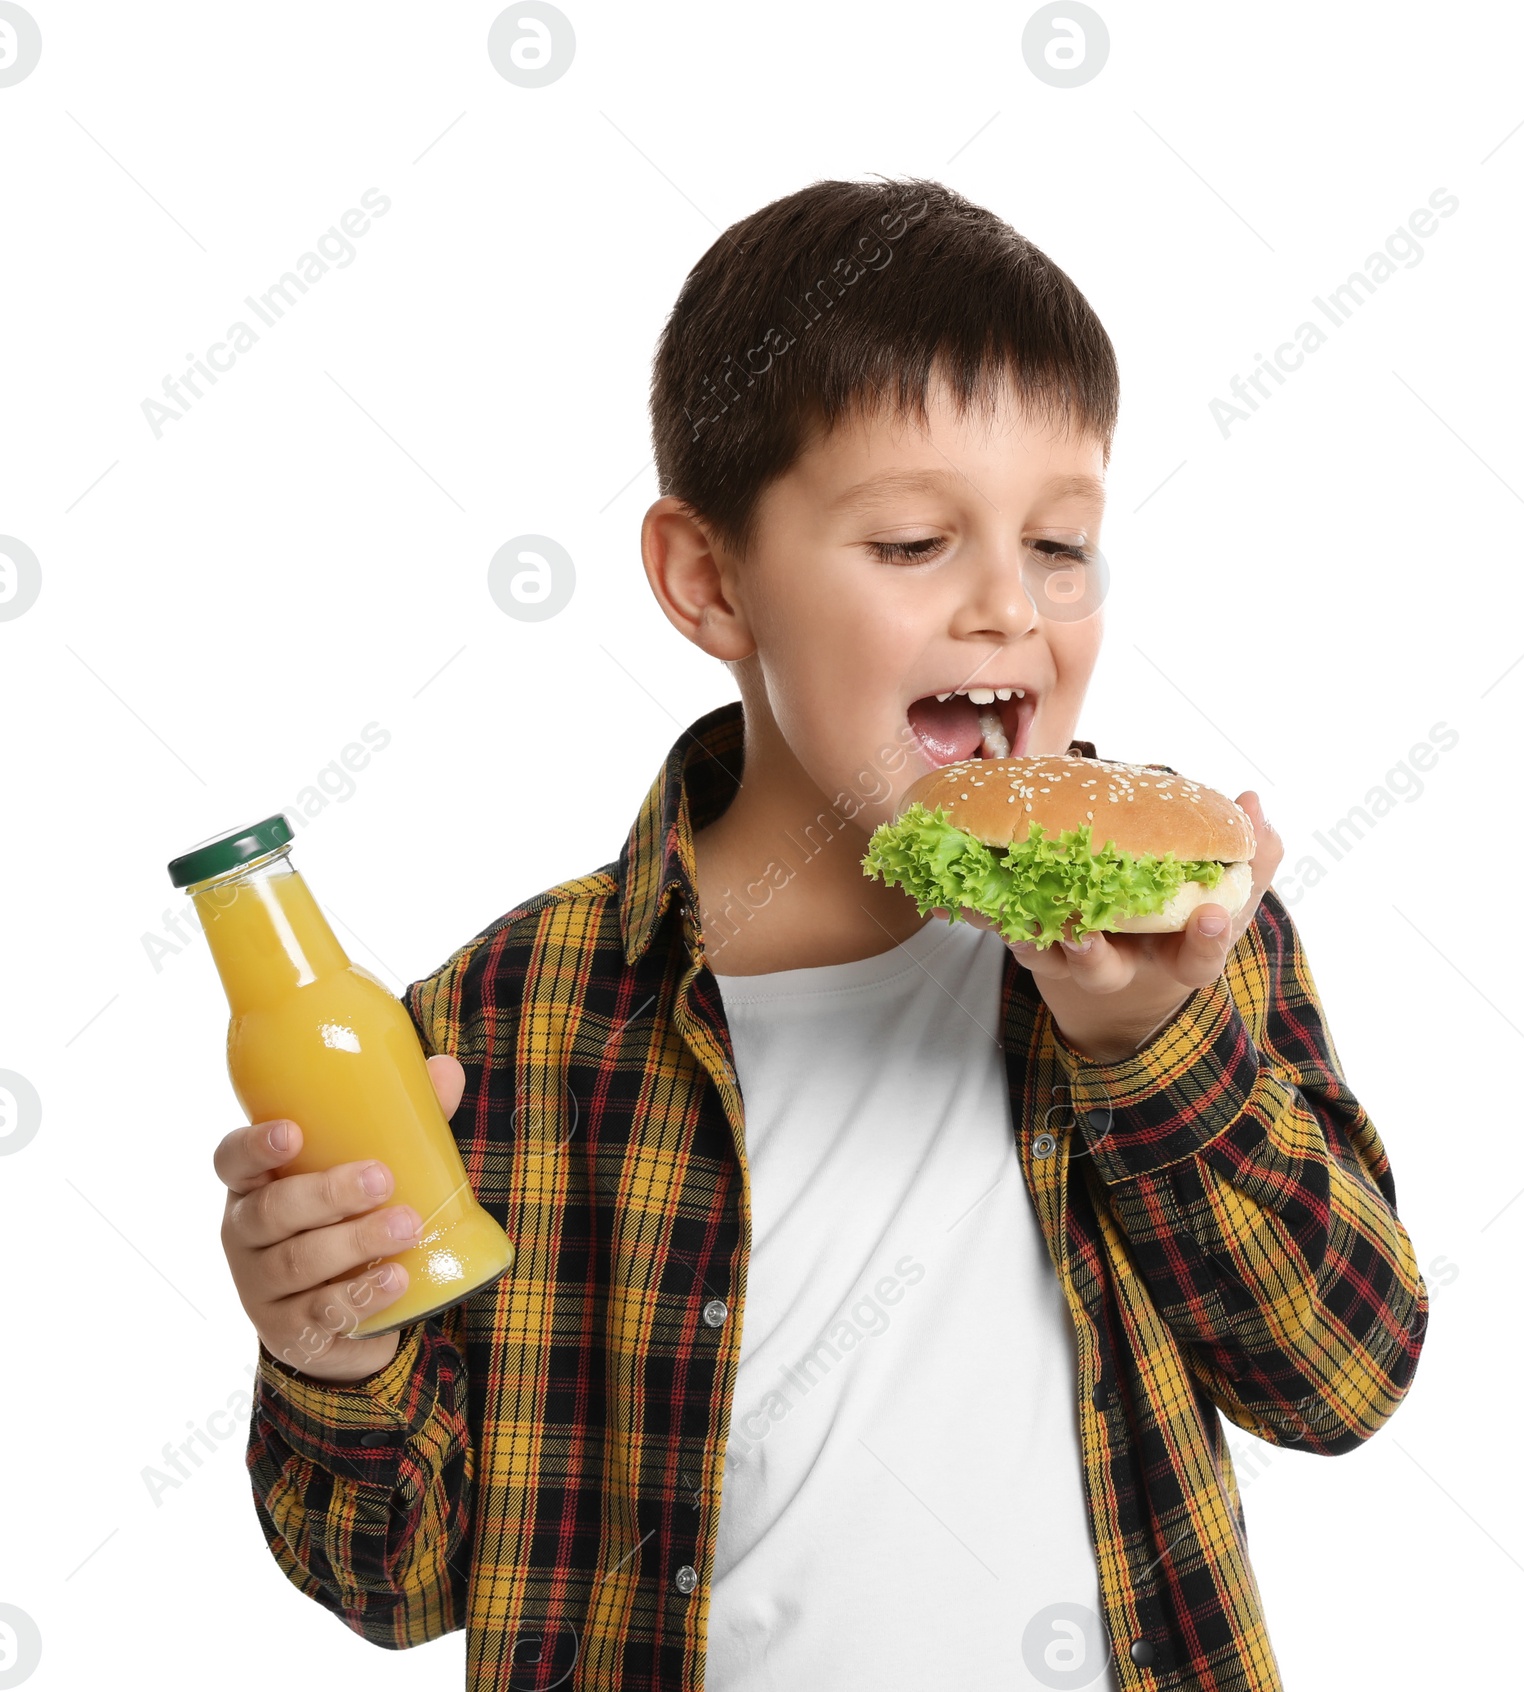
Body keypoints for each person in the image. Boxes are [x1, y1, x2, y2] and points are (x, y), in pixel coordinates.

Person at [215, 175, 1427, 1691]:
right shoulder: (506, 1019)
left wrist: (1148, 1051)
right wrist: (336, 1353)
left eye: (1061, 545)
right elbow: (393, 1580)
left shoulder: (1185, 928)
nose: (1008, 606)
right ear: (710, 581)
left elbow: (1342, 1378)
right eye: (916, 543)